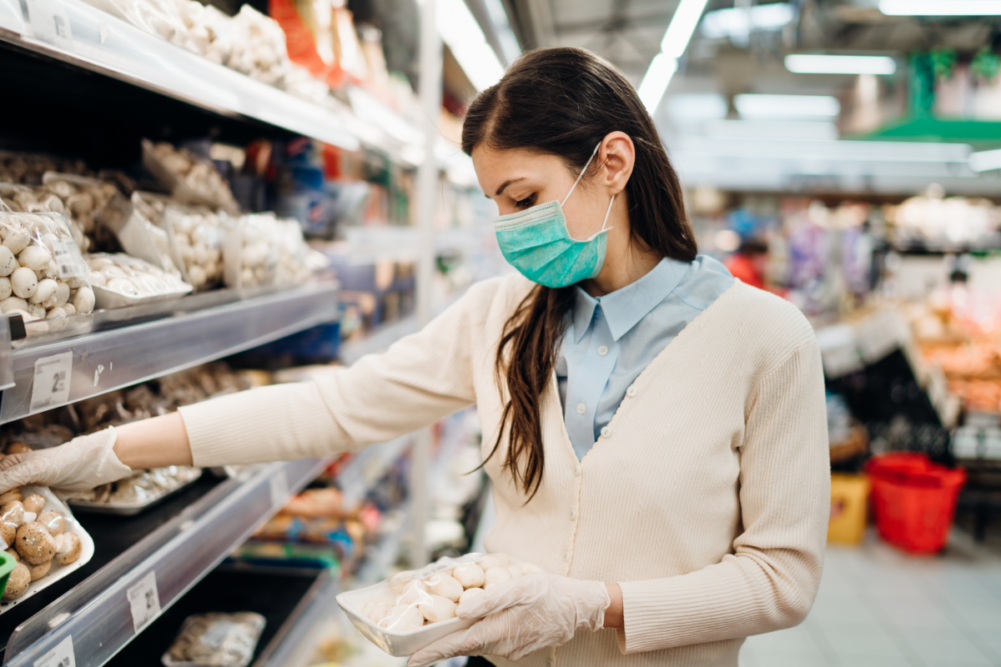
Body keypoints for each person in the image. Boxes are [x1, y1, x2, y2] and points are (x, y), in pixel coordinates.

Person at [0, 47, 830, 667]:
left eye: (524, 199)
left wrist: (591, 606)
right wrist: (98, 453)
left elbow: (778, 581)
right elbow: (328, 406)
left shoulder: (764, 340)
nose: (508, 228)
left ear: (610, 163)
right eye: (495, 205)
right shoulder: (500, 317)